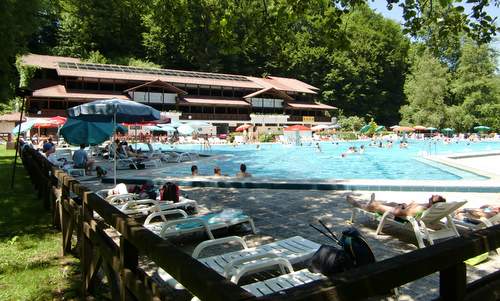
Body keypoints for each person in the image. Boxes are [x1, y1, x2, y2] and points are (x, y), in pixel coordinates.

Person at [347, 194, 446, 218]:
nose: (432, 195)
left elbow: (401, 213)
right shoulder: (427, 207)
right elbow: (408, 209)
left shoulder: (421, 209)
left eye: (433, 197)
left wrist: (404, 206)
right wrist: (405, 205)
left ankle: (358, 205)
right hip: (403, 210)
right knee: (393, 203)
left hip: (396, 214)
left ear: (432, 203)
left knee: (375, 206)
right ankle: (371, 204)